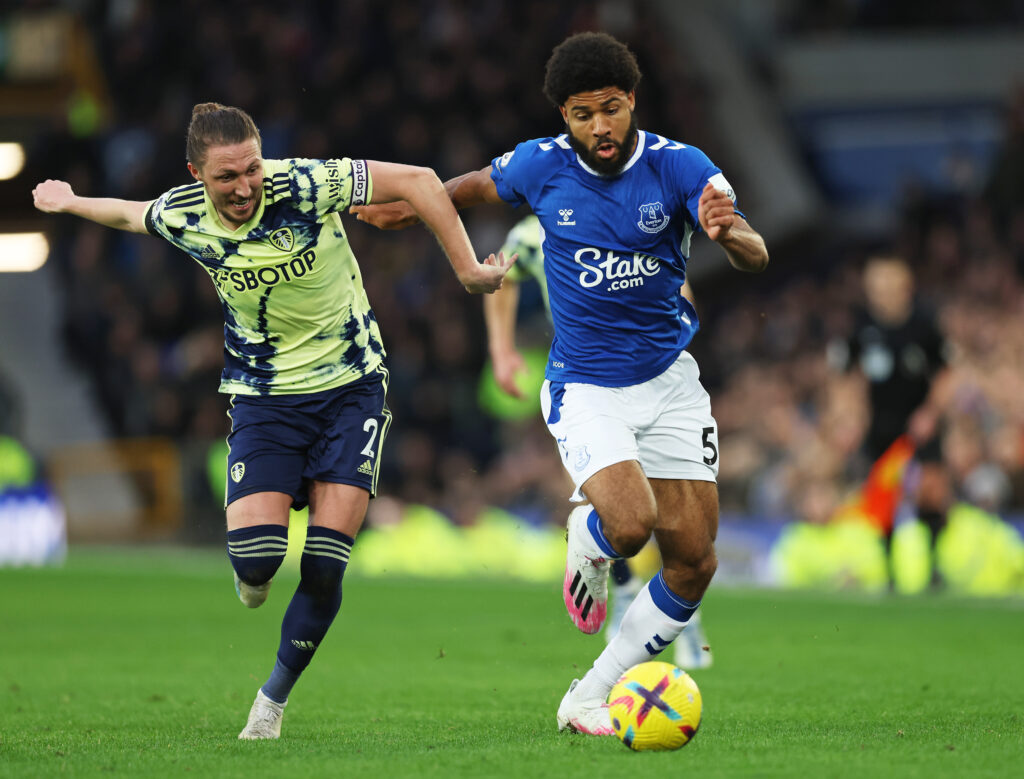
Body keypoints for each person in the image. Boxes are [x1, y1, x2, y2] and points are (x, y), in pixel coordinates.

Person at [32, 102, 514, 740]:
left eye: (252, 169)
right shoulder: (183, 214)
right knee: (257, 563)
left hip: (352, 388)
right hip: (264, 398)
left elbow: (422, 180)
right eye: (225, 177)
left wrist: (469, 271)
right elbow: (125, 213)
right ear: (195, 174)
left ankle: (271, 704)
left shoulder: (307, 184)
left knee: (324, 563)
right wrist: (67, 201)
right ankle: (263, 542)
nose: (243, 187)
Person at [354, 32, 767, 735]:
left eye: (611, 108)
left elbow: (755, 249)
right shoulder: (537, 165)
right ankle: (591, 530)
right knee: (631, 524)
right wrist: (409, 206)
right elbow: (463, 188)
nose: (600, 127)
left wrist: (729, 236)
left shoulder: (681, 166)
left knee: (695, 562)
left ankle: (589, 693)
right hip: (587, 386)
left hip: (671, 382)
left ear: (631, 101)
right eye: (583, 114)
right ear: (564, 117)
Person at [485, 214, 712, 670]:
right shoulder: (533, 234)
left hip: (650, 380)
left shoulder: (628, 218)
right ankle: (628, 593)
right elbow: (500, 276)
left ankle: (684, 615)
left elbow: (675, 280)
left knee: (671, 515)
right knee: (621, 503)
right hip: (589, 383)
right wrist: (502, 349)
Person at [831, 254, 952, 586]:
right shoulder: (862, 325)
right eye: (875, 285)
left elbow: (946, 373)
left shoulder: (924, 323)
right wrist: (850, 418)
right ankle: (889, 570)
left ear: (905, 287)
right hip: (881, 424)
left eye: (888, 284)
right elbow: (845, 374)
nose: (881, 292)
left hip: (919, 422)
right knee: (883, 497)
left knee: (931, 489)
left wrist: (930, 413)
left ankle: (934, 565)